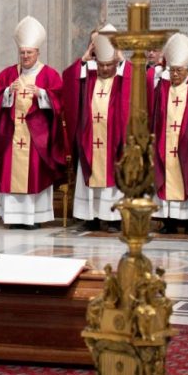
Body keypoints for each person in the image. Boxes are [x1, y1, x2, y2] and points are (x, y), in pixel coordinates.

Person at [0, 16, 65, 229]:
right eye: (22, 53)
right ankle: (13, 217)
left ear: (37, 53)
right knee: (10, 172)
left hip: (37, 138)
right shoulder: (8, 74)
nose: (25, 56)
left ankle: (34, 218)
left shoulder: (49, 74)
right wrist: (6, 92)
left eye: (29, 53)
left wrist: (42, 94)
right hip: (12, 136)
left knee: (35, 173)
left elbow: (60, 102)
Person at [63, 32, 131, 232]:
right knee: (90, 173)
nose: (104, 69)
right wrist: (83, 59)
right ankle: (90, 217)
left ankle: (113, 219)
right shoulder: (89, 77)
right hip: (89, 138)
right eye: (101, 65)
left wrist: (121, 59)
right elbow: (69, 79)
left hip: (113, 140)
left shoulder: (120, 78)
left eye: (109, 65)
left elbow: (133, 80)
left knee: (112, 176)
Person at [150, 32, 188, 234]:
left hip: (187, 145)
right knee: (166, 177)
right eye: (172, 71)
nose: (175, 75)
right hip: (166, 144)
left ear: (187, 71)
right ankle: (169, 221)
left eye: (179, 71)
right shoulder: (163, 90)